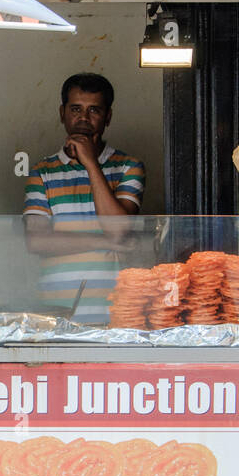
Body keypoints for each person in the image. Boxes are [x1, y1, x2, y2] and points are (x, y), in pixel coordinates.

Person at [22, 73, 145, 323]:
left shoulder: (128, 167)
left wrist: (90, 163)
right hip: (55, 309)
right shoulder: (42, 172)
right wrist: (106, 243)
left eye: (94, 110)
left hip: (116, 308)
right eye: (75, 109)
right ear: (62, 113)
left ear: (107, 116)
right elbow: (37, 242)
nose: (83, 119)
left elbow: (118, 231)